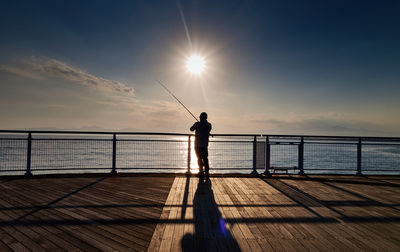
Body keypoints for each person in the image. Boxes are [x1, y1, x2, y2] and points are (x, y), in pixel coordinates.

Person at [190, 112, 212, 180]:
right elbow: (207, 130)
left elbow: (191, 129)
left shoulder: (197, 124)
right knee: (205, 159)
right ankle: (207, 173)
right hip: (205, 145)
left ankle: (201, 172)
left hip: (197, 145)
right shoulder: (209, 125)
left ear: (200, 117)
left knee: (199, 159)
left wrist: (197, 124)